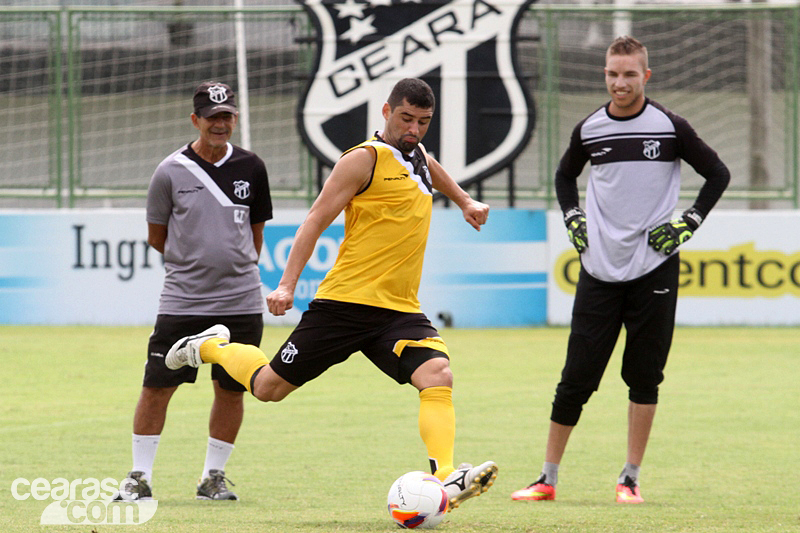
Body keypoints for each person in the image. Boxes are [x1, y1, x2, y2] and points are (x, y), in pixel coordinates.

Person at [164, 77, 498, 511]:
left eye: (423, 121)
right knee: (267, 389)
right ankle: (210, 346)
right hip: (344, 305)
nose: (414, 129)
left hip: (398, 310)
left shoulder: (414, 152)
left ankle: (444, 477)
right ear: (386, 111)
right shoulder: (362, 160)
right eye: (406, 118)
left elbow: (428, 164)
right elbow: (315, 220)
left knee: (438, 374)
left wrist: (465, 200)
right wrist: (286, 284)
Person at [511, 36, 729, 504]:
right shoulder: (590, 129)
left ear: (645, 76)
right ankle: (547, 479)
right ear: (604, 75)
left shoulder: (670, 127)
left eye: (630, 74)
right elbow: (564, 175)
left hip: (655, 269)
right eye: (613, 73)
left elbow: (718, 173)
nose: (620, 82)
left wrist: (687, 224)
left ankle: (629, 479)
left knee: (644, 376)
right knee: (576, 377)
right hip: (598, 270)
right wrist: (572, 216)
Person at [114, 81, 273, 501]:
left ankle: (212, 478)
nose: (220, 124)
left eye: (228, 116)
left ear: (235, 119)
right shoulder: (169, 171)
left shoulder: (252, 167)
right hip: (184, 299)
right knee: (157, 385)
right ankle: (138, 477)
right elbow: (156, 235)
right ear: (195, 120)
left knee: (231, 389)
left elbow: (255, 234)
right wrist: (194, 263)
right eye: (212, 116)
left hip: (240, 301)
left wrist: (235, 267)